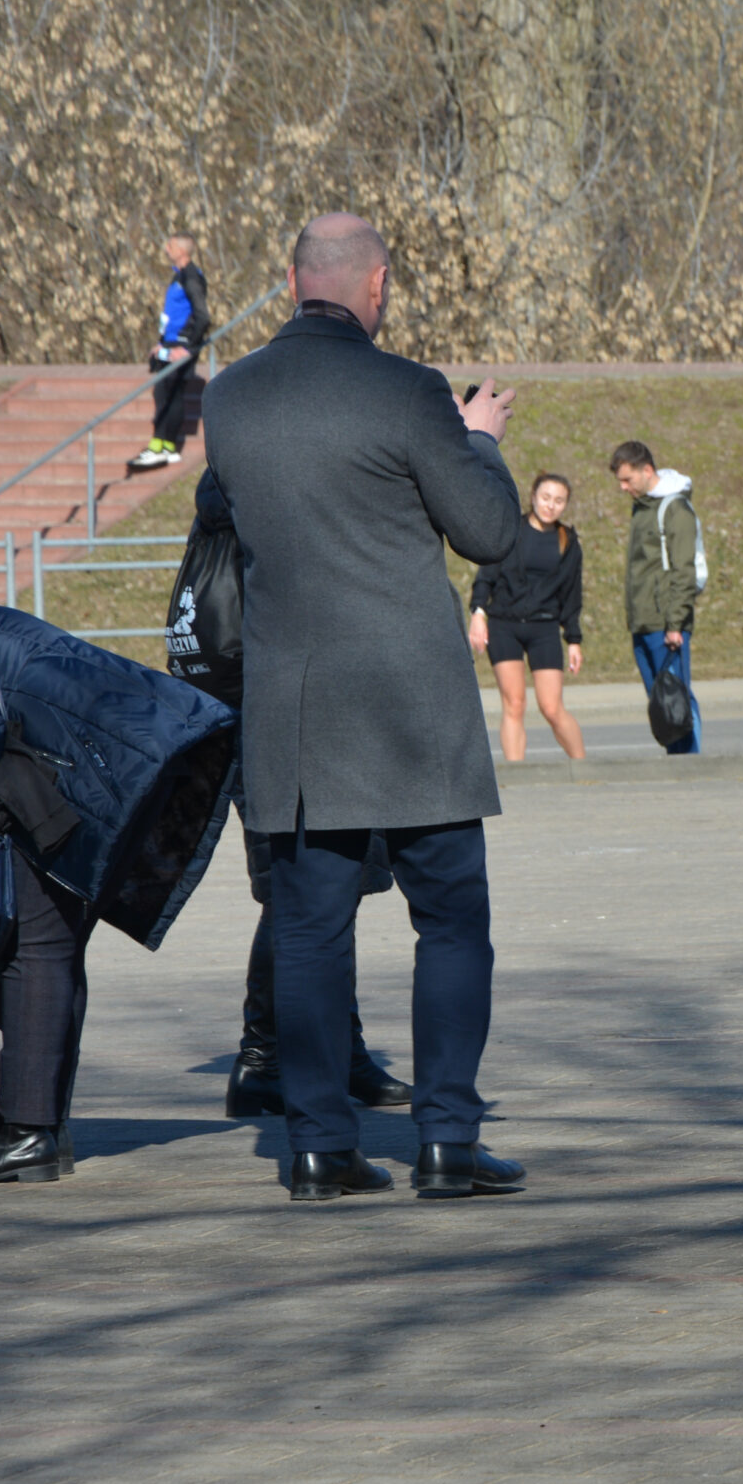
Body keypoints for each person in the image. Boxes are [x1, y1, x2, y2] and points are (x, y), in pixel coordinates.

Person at [201, 212, 528, 1203]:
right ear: (376, 284)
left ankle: (317, 1148)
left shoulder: (230, 397)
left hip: (295, 709)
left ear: (291, 278)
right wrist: (478, 442)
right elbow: (488, 532)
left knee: (308, 932)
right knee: (453, 923)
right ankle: (447, 1140)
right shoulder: (411, 391)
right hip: (413, 705)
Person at [0, 607, 237, 1183]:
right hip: (102, 758)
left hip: (76, 769)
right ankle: (42, 1125)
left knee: (34, 948)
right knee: (51, 946)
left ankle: (29, 1134)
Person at [175, 472, 411, 1119]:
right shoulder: (264, 491)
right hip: (277, 711)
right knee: (300, 888)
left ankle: (334, 1049)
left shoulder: (229, 495)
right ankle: (262, 1060)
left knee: (320, 885)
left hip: (245, 707)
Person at [470, 471, 589, 761]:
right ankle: (516, 773)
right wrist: (478, 613)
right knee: (514, 704)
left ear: (566, 504)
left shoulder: (567, 541)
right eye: (546, 497)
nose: (551, 505)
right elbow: (486, 575)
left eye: (559, 500)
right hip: (504, 625)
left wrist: (573, 640)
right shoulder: (512, 531)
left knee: (551, 707)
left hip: (544, 627)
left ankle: (583, 768)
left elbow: (572, 595)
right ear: (533, 497)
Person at [613, 441, 704, 755]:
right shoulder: (642, 507)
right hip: (642, 621)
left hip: (666, 624)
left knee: (678, 697)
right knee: (661, 702)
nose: (623, 487)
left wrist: (675, 623)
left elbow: (684, 570)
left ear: (647, 470)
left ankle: (691, 765)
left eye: (628, 480)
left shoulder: (675, 509)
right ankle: (676, 763)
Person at [130, 233, 209, 470]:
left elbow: (202, 316)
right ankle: (165, 446)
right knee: (165, 393)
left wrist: (187, 347)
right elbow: (173, 314)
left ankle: (161, 447)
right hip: (170, 344)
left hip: (180, 347)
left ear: (182, 251)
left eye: (170, 245)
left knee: (167, 393)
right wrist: (161, 342)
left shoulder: (191, 277)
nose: (166, 249)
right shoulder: (179, 275)